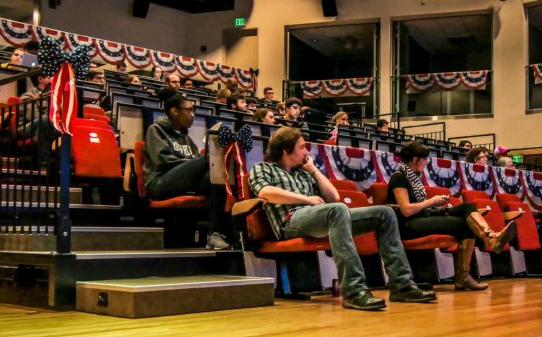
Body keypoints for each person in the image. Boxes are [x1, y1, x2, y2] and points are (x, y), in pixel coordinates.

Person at [249, 127, 437, 311]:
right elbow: (266, 192)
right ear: (285, 149)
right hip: (290, 221)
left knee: (384, 213)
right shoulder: (263, 168)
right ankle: (354, 290)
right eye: (301, 147)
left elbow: (333, 198)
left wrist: (313, 169)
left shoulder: (304, 172)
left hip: (319, 216)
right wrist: (307, 199)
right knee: (338, 210)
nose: (307, 151)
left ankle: (402, 285)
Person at [388, 142, 517, 291]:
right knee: (465, 224)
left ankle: (491, 238)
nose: (428, 162)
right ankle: (465, 275)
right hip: (407, 224)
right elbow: (406, 210)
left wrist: (434, 203)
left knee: (468, 207)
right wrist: (431, 201)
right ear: (416, 159)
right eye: (426, 159)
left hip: (422, 216)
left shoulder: (414, 177)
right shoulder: (399, 177)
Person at [144, 93, 230, 250]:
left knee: (217, 174)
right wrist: (193, 166)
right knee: (211, 159)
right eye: (189, 110)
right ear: (174, 111)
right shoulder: (155, 130)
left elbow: (195, 167)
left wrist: (194, 167)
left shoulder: (187, 139)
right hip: (160, 183)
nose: (193, 114)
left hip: (183, 184)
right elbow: (163, 162)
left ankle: (216, 233)